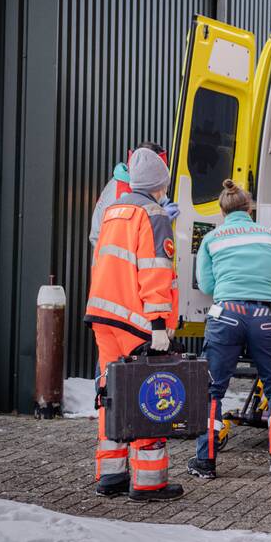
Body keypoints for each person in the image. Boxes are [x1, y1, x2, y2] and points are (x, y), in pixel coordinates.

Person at [187, 180, 271, 479]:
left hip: (226, 316)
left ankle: (205, 461)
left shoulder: (212, 239)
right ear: (249, 208)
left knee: (213, 389)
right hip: (264, 318)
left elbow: (207, 285)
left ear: (222, 209)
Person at [84, 148, 183, 501]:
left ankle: (111, 475)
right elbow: (155, 272)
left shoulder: (114, 210)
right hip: (136, 320)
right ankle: (149, 481)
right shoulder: (154, 215)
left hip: (104, 315)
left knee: (111, 395)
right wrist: (158, 325)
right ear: (161, 183)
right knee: (148, 395)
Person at [89, 142, 179, 248]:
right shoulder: (121, 194)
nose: (162, 190)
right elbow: (124, 235)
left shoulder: (133, 185)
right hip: (116, 259)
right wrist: (158, 221)